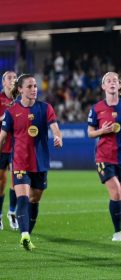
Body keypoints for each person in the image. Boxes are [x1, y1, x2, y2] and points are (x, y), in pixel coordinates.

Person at [0, 74, 63, 250]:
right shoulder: (11, 112)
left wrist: (58, 138)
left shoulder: (45, 108)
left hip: (40, 163)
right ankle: (24, 235)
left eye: (35, 86)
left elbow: (55, 129)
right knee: (22, 197)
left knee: (34, 199)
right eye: (29, 86)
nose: (34, 89)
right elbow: (3, 137)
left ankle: (28, 233)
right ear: (20, 89)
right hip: (19, 162)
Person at [87, 72, 121, 242]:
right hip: (104, 156)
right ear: (103, 86)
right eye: (108, 81)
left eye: (115, 80)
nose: (112, 83)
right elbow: (90, 133)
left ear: (118, 85)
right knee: (115, 192)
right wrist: (102, 131)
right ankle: (118, 232)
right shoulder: (96, 108)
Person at [0, 71, 18, 231]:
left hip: (16, 147)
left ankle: (12, 212)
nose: (13, 80)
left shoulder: (20, 100)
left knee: (16, 182)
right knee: (1, 182)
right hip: (1, 146)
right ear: (4, 82)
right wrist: (6, 117)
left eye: (15, 77)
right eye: (10, 78)